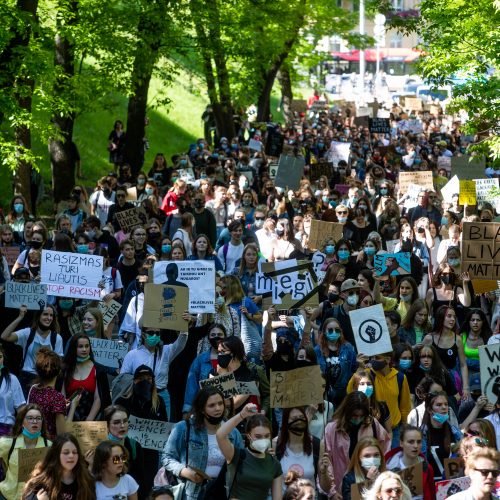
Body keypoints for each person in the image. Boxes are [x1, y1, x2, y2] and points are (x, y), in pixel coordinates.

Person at [163, 387, 244, 500]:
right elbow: (167, 458)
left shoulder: (233, 432)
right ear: (201, 409)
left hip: (224, 492)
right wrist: (185, 472)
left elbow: (242, 463)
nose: (218, 408)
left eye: (220, 403)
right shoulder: (183, 428)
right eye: (211, 405)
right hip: (193, 493)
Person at [324, 391, 391, 495]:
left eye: (361, 416)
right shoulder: (332, 429)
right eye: (354, 415)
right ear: (346, 412)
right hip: (340, 488)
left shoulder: (373, 424)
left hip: (371, 485)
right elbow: (328, 462)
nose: (358, 419)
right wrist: (332, 492)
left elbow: (385, 450)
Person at [216, 402, 283, 500]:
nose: (263, 439)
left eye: (267, 436)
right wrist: (242, 415)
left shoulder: (275, 464)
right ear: (248, 436)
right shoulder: (237, 455)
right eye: (258, 436)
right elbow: (220, 435)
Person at [1, 305, 64, 396]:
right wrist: (20, 317)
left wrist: (52, 386)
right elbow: (4, 336)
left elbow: (58, 366)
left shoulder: (56, 338)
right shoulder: (28, 333)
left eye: (51, 315)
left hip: (46, 380)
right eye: (45, 314)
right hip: (26, 378)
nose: (49, 318)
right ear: (38, 316)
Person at [275, 406, 334, 497]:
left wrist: (324, 472)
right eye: (294, 419)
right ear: (286, 422)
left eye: (302, 418)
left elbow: (326, 488)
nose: (299, 421)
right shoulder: (276, 445)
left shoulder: (316, 445)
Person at [23, 433, 95, 500]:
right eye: (66, 453)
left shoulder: (86, 481)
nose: (71, 456)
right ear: (56, 455)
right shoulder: (39, 484)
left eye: (75, 452)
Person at [27, 348, 79, 440]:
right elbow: (62, 435)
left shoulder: (33, 389)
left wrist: (61, 407)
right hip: (49, 447)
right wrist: (73, 407)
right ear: (59, 372)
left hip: (34, 441)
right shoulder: (57, 398)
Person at [0, 404, 50, 499]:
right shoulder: (7, 443)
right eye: (30, 418)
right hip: (7, 496)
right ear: (22, 422)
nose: (34, 421)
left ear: (42, 423)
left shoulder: (49, 446)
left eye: (38, 418)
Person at [422, 305, 470, 399]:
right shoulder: (429, 338)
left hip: (453, 380)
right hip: (434, 379)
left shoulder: (458, 339)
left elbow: (463, 365)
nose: (452, 319)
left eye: (454, 317)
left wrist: (466, 387)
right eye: (449, 316)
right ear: (440, 317)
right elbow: (422, 362)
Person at [62, 334, 111, 422]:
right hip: (68, 418)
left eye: (87, 346)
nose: (84, 349)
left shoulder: (99, 370)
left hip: (92, 419)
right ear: (73, 348)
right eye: (80, 346)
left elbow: (98, 398)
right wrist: (65, 417)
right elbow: (62, 397)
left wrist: (88, 421)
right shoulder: (65, 370)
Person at [314, 317, 356, 408]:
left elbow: (353, 369)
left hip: (344, 393)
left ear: (340, 331)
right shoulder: (317, 350)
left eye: (337, 330)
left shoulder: (348, 348)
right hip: (324, 394)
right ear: (324, 332)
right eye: (330, 330)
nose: (334, 332)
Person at [385, 425, 436, 500]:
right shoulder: (388, 470)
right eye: (411, 442)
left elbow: (432, 495)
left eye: (419, 442)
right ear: (401, 443)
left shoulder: (427, 468)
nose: (415, 446)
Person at [420, 391, 463, 480]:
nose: (444, 407)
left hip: (452, 483)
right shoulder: (421, 435)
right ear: (429, 410)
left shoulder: (455, 433)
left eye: (446, 404)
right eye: (439, 405)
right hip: (431, 484)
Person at [0, 346, 25, 436]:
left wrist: (20, 430)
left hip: (6, 429)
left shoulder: (12, 379)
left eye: (0, 357)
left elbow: (21, 408)